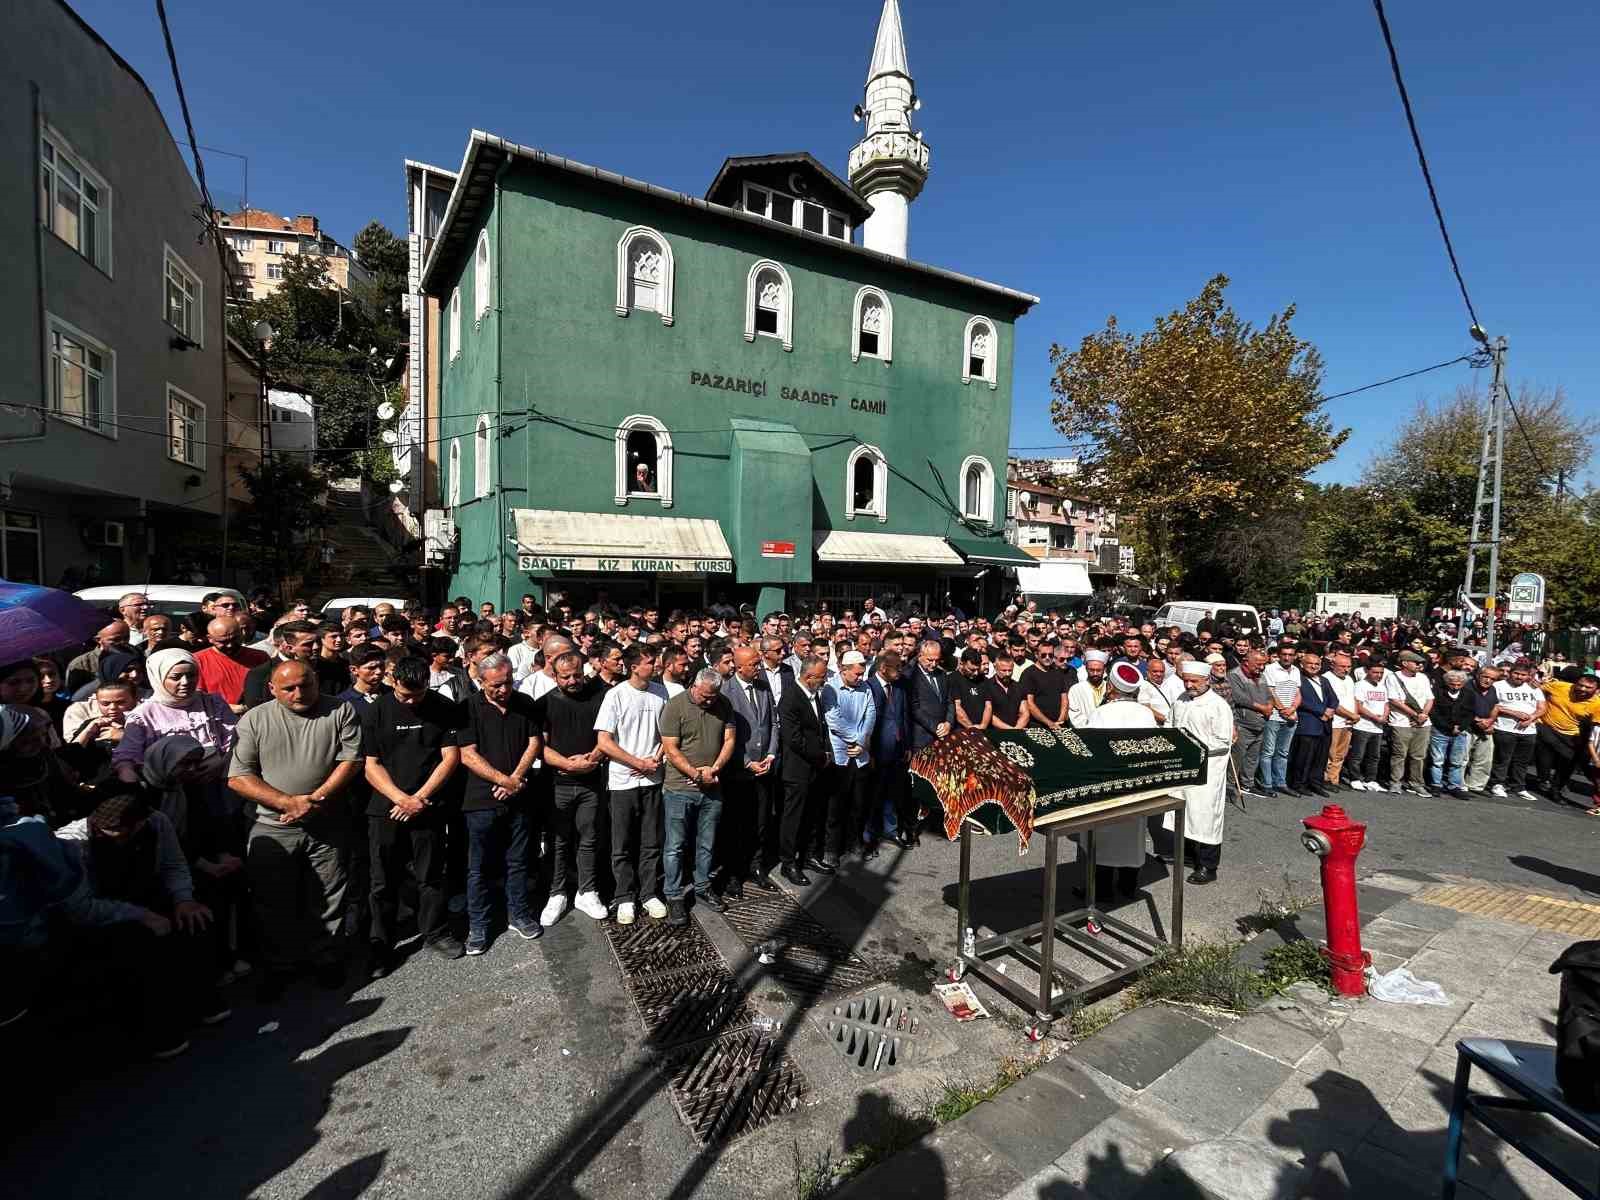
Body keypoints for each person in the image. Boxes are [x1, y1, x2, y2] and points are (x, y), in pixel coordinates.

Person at [226, 661, 363, 1000]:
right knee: (273, 900)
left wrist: (315, 800)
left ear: (316, 681)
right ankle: (279, 965)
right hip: (272, 828)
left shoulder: (340, 710)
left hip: (326, 822)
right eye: (288, 688)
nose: (299, 693)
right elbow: (238, 777)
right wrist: (287, 803)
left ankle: (327, 956)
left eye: (305, 685)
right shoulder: (255, 720)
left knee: (330, 894)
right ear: (272, 689)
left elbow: (351, 760)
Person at [360, 656, 463, 972]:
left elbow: (449, 757)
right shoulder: (375, 711)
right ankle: (382, 942)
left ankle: (435, 931)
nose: (412, 701)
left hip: (428, 805)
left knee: (430, 875)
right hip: (386, 807)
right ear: (392, 680)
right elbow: (370, 764)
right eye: (406, 695)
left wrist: (420, 797)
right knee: (383, 881)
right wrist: (400, 798)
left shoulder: (442, 706)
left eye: (418, 695)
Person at [458, 653, 544, 953]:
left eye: (507, 682)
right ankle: (479, 925)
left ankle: (518, 913)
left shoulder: (525, 704)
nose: (503, 690)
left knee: (518, 861)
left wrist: (515, 778)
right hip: (481, 799)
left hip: (519, 794)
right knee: (479, 866)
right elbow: (466, 753)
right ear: (481, 682)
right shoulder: (468, 708)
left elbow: (534, 742)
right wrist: (501, 780)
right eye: (496, 685)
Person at [595, 644, 669, 923]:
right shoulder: (615, 696)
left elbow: (667, 734)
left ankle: (649, 893)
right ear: (634, 666)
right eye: (650, 662)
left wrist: (655, 759)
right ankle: (625, 895)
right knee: (622, 843)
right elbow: (604, 741)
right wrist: (637, 763)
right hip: (623, 782)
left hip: (653, 778)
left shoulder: (660, 692)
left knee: (651, 840)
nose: (656, 665)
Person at [659, 668, 736, 924]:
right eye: (705, 696)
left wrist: (714, 769)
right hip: (680, 788)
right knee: (675, 846)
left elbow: (729, 739)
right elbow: (670, 748)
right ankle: (674, 895)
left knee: (707, 842)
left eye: (713, 696)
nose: (709, 701)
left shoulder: (723, 703)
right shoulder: (675, 706)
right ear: (694, 686)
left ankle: (702, 886)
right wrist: (695, 773)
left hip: (712, 785)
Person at [539, 650, 610, 926]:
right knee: (559, 840)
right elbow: (539, 745)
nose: (573, 681)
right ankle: (557, 893)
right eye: (566, 677)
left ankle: (587, 890)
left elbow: (606, 735)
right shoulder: (544, 703)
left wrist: (591, 759)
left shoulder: (599, 698)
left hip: (591, 783)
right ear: (554, 676)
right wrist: (568, 765)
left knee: (590, 837)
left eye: (577, 675)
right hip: (558, 784)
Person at [1079, 662, 1153, 897]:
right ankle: (1128, 887)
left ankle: (1102, 892)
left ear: (1110, 686)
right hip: (1136, 785)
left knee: (1104, 838)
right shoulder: (1145, 713)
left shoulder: (1102, 713)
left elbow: (1088, 750)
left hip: (1108, 785)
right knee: (1131, 836)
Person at [1165, 661, 1233, 884]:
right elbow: (1170, 724)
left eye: (1194, 681)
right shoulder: (1182, 700)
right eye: (1186, 680)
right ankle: (1186, 855)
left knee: (1204, 816)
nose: (1188, 684)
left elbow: (1223, 741)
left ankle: (1207, 865)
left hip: (1207, 771)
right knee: (1183, 811)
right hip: (1183, 769)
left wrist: (1191, 746)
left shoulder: (1218, 705)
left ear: (1207, 680)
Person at [720, 645, 779, 895]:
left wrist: (771, 753)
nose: (758, 667)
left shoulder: (763, 686)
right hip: (739, 771)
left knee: (761, 821)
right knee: (737, 824)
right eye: (754, 664)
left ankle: (756, 866)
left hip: (764, 767)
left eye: (759, 663)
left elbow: (774, 722)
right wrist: (745, 761)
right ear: (739, 666)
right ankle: (734, 872)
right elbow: (724, 734)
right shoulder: (727, 691)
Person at [777, 657, 833, 887]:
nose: (824, 681)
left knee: (813, 814)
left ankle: (809, 855)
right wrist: (819, 755)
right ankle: (788, 862)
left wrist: (825, 751)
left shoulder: (814, 694)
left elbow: (819, 727)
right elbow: (794, 739)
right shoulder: (791, 698)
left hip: (815, 768)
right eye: (821, 677)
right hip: (798, 769)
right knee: (794, 817)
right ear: (809, 677)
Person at [823, 650, 877, 865]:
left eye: (862, 673)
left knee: (858, 803)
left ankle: (854, 842)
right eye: (856, 674)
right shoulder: (830, 689)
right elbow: (833, 720)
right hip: (840, 755)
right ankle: (831, 849)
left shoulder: (865, 688)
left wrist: (862, 741)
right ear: (843, 670)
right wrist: (855, 739)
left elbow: (871, 714)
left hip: (860, 754)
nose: (860, 678)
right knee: (835, 806)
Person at [866, 649, 911, 847]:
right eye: (896, 668)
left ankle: (891, 830)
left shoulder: (899, 686)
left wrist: (907, 744)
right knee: (873, 793)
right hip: (877, 751)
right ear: (883, 668)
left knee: (893, 792)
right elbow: (867, 723)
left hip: (898, 748)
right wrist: (870, 752)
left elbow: (903, 716)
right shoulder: (869, 687)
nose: (900, 671)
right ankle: (869, 833)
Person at [1535, 670, 1600, 803]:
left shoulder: (1597, 704)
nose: (1582, 689)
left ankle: (1556, 789)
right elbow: (1535, 688)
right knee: (1544, 760)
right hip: (1545, 726)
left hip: (1571, 735)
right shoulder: (1560, 686)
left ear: (1597, 690)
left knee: (1568, 764)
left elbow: (1594, 726)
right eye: (1580, 685)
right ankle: (1544, 779)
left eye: (1588, 687)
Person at [1487, 660, 1545, 800]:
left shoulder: (1533, 688)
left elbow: (1542, 708)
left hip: (1528, 731)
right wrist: (1514, 713)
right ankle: (1497, 784)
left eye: (1523, 675)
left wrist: (1531, 718)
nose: (1519, 677)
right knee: (1502, 759)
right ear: (1510, 673)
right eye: (1516, 673)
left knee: (1522, 761)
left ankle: (1518, 786)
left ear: (1528, 676)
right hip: (1504, 728)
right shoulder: (1498, 686)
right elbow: (1494, 705)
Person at [193, 616, 269, 715]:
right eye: (223, 642)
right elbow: (197, 697)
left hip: (257, 715)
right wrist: (227, 707)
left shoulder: (260, 657)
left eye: (234, 639)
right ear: (210, 639)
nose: (230, 645)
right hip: (219, 718)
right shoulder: (198, 660)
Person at [1384, 651, 1434, 796]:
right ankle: (1395, 782)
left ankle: (1416, 783)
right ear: (1404, 663)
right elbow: (1394, 700)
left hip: (1423, 722)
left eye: (1421, 663)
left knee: (1418, 755)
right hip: (1401, 722)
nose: (1419, 665)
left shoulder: (1423, 678)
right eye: (1416, 662)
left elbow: (1430, 698)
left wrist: (1424, 714)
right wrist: (1415, 715)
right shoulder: (1393, 677)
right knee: (1399, 754)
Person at [1286, 652, 1335, 798]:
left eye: (1317, 664)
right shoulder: (1298, 679)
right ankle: (1299, 783)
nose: (1314, 666)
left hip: (1325, 724)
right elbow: (1301, 700)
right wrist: (1322, 711)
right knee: (1304, 757)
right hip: (1308, 723)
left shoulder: (1324, 680)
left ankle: (1315, 783)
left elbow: (1333, 699)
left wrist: (1331, 709)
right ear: (1302, 664)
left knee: (1321, 757)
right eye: (1310, 664)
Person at [1428, 669, 1476, 800]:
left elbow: (1470, 713)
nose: (1455, 687)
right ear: (1447, 682)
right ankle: (1436, 785)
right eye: (1452, 684)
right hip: (1440, 730)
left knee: (1457, 761)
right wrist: (1449, 727)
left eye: (1459, 685)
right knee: (1437, 760)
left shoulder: (1469, 694)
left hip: (1460, 731)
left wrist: (1460, 727)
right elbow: (1433, 712)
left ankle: (1454, 786)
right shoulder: (1438, 692)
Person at [1259, 644, 1300, 796]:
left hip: (1291, 717)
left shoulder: (1296, 671)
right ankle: (1266, 783)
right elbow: (1270, 692)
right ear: (1279, 655)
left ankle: (1280, 782)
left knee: (1283, 752)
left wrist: (1293, 708)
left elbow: (1297, 692)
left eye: (1290, 654)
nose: (1287, 657)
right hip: (1275, 717)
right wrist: (1283, 709)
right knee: (1268, 751)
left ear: (1294, 656)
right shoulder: (1270, 669)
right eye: (1284, 654)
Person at [1346, 661, 1391, 792]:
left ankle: (1370, 779)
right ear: (1367, 672)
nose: (1378, 675)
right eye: (1375, 672)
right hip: (1362, 726)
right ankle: (1355, 778)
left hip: (1378, 727)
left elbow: (1387, 704)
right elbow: (1358, 706)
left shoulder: (1383, 687)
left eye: (1381, 673)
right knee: (1357, 755)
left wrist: (1384, 717)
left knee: (1374, 756)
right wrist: (1375, 717)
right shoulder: (1360, 685)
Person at [1320, 652, 1360, 791]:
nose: (1346, 669)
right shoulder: (1326, 678)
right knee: (1329, 753)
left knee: (1341, 754)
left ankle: (1334, 779)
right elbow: (1333, 703)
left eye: (1349, 666)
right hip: (1335, 721)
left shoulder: (1349, 679)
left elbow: (1353, 698)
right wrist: (1351, 715)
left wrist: (1354, 715)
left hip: (1348, 722)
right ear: (1332, 665)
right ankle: (1324, 779)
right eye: (1342, 666)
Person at [906, 640, 954, 754]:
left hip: (944, 736)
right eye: (930, 660)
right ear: (920, 656)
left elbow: (950, 701)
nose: (934, 664)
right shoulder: (910, 676)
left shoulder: (942, 674)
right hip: (922, 738)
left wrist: (948, 723)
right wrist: (936, 727)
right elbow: (914, 708)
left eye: (937, 660)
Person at [1464, 667, 1500, 794]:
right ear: (1478, 675)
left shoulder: (1492, 689)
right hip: (1467, 726)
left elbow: (1496, 706)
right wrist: (1477, 720)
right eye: (1486, 677)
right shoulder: (1467, 686)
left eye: (1493, 679)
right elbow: (1459, 705)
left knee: (1484, 759)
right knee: (1462, 758)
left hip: (1485, 727)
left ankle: (1476, 785)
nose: (1488, 680)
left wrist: (1490, 721)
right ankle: (1459, 785)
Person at [1021, 643, 1069, 730]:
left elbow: (1064, 698)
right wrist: (1049, 723)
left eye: (1050, 655)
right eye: (1043, 655)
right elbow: (1029, 703)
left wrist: (1061, 720)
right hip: (1037, 725)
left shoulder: (1058, 672)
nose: (1047, 657)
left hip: (1059, 725)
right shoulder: (1028, 674)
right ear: (1036, 655)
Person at [1066, 651, 1109, 728]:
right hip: (1085, 732)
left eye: (1099, 670)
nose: (1095, 673)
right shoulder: (1076, 689)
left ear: (1104, 669)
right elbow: (1075, 716)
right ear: (1086, 669)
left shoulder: (1110, 688)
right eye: (1091, 670)